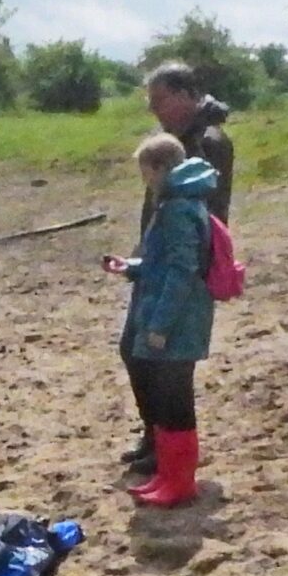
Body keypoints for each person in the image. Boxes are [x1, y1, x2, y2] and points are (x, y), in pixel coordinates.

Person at [122, 62, 236, 473]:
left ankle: (168, 455)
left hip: (180, 268)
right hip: (157, 262)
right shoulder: (175, 139)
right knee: (135, 353)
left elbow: (204, 215)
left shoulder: (208, 142)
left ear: (186, 95)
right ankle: (155, 438)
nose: (154, 111)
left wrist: (177, 267)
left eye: (160, 101)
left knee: (167, 368)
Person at [104, 133, 218, 507]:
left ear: (159, 168)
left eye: (146, 173)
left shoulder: (178, 208)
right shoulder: (181, 202)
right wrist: (133, 267)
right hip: (175, 317)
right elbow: (165, 264)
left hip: (177, 323)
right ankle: (168, 476)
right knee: (170, 403)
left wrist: (159, 327)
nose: (146, 182)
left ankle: (179, 482)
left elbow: (183, 271)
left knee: (176, 402)